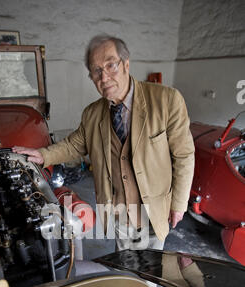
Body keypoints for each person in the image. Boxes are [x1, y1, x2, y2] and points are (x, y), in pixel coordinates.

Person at [12, 34, 195, 252]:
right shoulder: (92, 113)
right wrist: (44, 155)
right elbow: (73, 145)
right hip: (117, 214)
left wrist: (179, 204)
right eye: (96, 71)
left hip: (154, 210)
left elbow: (184, 155)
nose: (104, 77)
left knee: (150, 276)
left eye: (110, 65)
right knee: (125, 270)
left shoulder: (166, 100)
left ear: (126, 64)